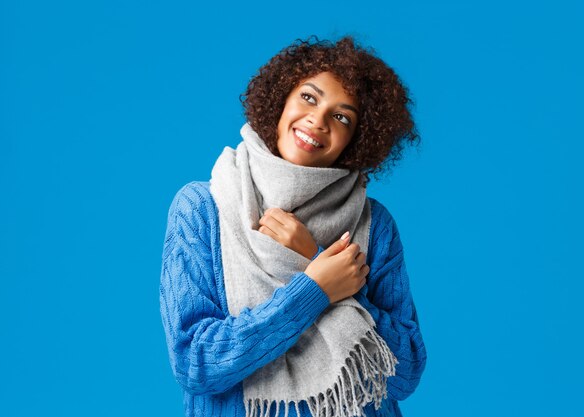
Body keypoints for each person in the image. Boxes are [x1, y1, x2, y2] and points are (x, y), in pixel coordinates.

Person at [160, 36, 427, 417]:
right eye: (309, 97)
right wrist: (315, 287)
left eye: (341, 117)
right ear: (281, 99)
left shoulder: (373, 224)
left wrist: (313, 259)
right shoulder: (203, 207)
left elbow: (405, 374)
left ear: (357, 139)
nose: (317, 121)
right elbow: (195, 363)